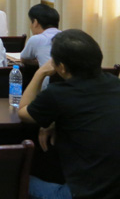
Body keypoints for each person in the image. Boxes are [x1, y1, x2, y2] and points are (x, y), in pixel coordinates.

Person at [18, 30, 120, 199]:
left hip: (84, 194)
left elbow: (23, 112)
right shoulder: (114, 83)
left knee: (16, 179)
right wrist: (56, 121)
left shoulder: (58, 93)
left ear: (62, 67)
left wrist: (40, 73)